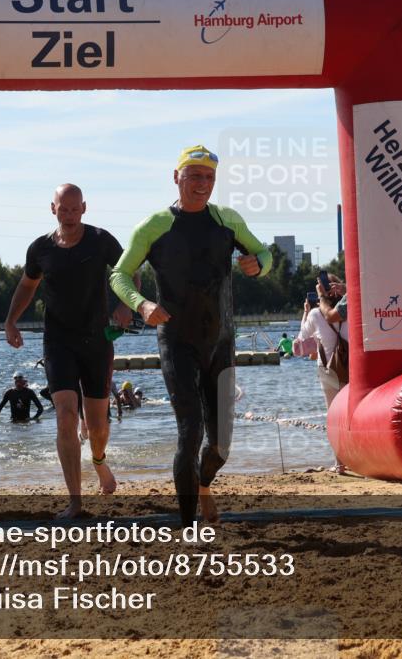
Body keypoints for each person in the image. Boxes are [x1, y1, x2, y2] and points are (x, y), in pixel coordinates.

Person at [110, 144, 271, 526]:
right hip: (177, 341)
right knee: (190, 429)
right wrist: (142, 304)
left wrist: (257, 266)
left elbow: (264, 253)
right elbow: (118, 274)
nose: (203, 184)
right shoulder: (153, 226)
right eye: (195, 175)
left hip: (221, 341)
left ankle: (203, 485)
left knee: (220, 445)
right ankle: (187, 526)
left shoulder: (227, 220)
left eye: (210, 177)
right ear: (176, 177)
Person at [3, 183, 130, 518]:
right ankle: (75, 502)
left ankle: (99, 460)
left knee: (99, 425)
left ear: (84, 208)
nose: (70, 215)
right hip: (58, 341)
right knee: (66, 415)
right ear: (53, 209)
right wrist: (11, 322)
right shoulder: (40, 249)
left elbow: (126, 273)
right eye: (64, 208)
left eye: (75, 209)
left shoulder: (102, 240)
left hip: (97, 340)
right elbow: (27, 285)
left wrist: (125, 303)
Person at [299, 275, 349, 473]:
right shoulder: (351, 308)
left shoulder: (314, 314)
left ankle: (340, 463)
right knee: (351, 414)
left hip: (328, 370)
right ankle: (358, 458)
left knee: (334, 416)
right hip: (353, 367)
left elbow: (302, 338)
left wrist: (306, 312)